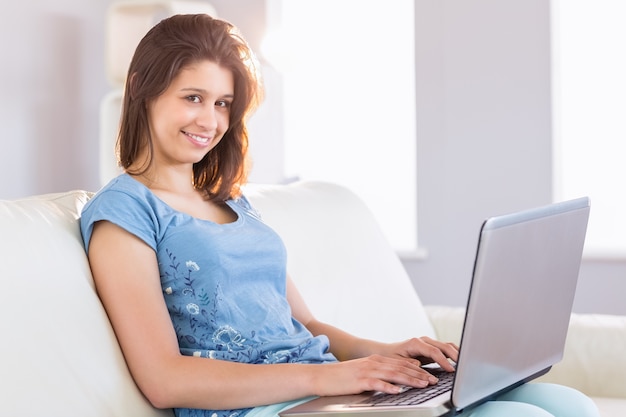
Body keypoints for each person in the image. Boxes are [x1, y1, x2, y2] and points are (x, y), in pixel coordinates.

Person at [80, 13, 599, 417]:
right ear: (144, 93)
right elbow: (163, 378)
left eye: (222, 103)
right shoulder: (124, 213)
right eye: (193, 98)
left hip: (321, 394)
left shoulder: (229, 199)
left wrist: (394, 354)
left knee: (567, 405)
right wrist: (326, 380)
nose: (210, 120)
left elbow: (304, 323)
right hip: (263, 407)